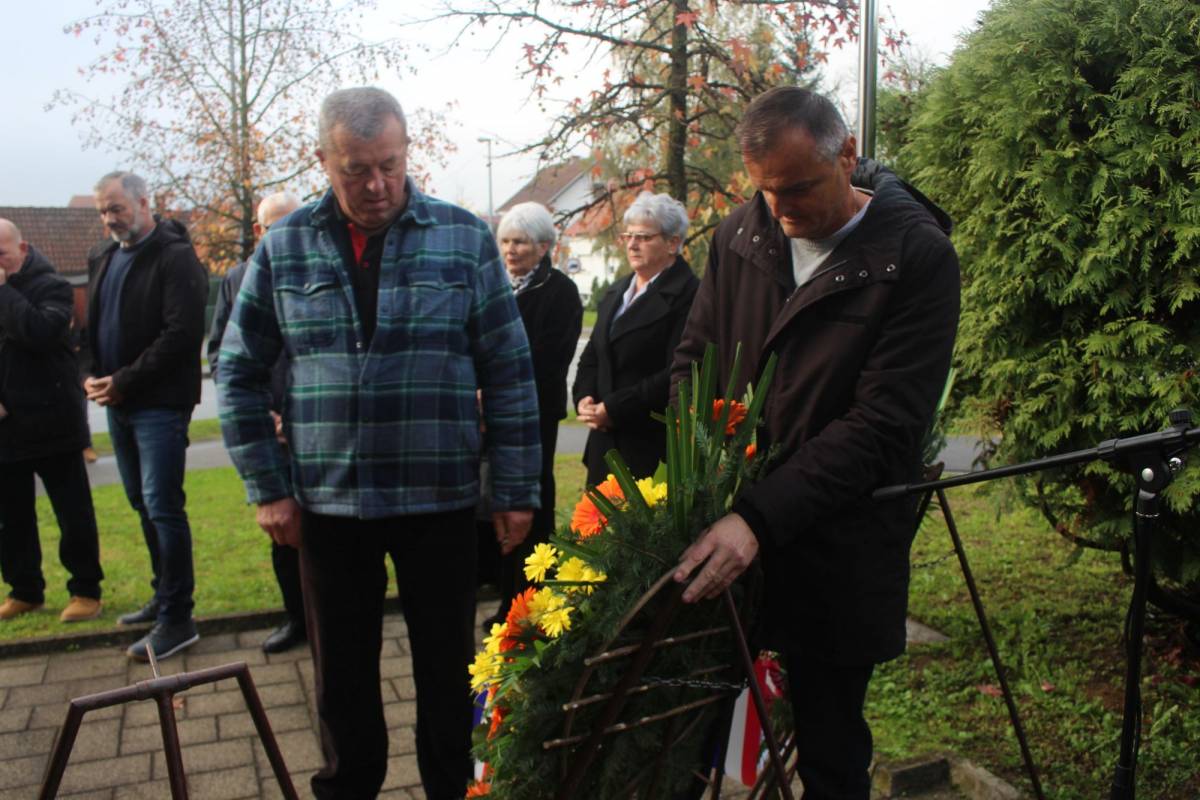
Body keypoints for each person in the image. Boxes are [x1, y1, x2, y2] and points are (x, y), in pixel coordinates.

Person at [216, 86, 541, 800]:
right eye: (355, 170)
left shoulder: (462, 238)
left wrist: (515, 491)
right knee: (343, 683)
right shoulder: (286, 245)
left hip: (440, 499)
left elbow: (510, 372)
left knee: (446, 673)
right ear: (322, 160)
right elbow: (236, 372)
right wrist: (267, 487)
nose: (376, 186)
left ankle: (452, 790)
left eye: (389, 165)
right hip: (329, 506)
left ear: (406, 150)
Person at [670, 87, 960, 798]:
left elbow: (883, 426)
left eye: (798, 188)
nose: (781, 210)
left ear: (848, 157)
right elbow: (693, 361)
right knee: (680, 736)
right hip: (727, 534)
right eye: (766, 190)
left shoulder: (915, 256)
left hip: (837, 545)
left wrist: (759, 518)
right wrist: (705, 471)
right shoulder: (741, 234)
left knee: (831, 753)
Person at [86, 171, 209, 661]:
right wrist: (91, 374)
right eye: (102, 211)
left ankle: (178, 618)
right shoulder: (104, 255)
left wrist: (124, 380)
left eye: (116, 208)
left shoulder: (175, 257)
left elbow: (181, 335)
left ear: (143, 201)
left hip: (159, 404)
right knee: (141, 501)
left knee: (162, 504)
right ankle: (163, 595)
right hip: (119, 402)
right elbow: (92, 325)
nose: (109, 219)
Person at [207, 191, 306, 654]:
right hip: (270, 430)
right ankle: (296, 618)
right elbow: (222, 355)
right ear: (258, 233)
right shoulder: (236, 280)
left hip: (314, 428)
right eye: (274, 227)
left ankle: (329, 619)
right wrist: (261, 413)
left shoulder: (321, 270)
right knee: (283, 531)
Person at [483, 202, 583, 626]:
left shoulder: (560, 292)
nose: (511, 249)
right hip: (484, 411)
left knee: (529, 503)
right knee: (490, 500)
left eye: (520, 241)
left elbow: (546, 358)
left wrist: (491, 387)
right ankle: (494, 588)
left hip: (531, 415)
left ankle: (525, 603)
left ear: (545, 246)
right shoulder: (492, 285)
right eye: (505, 240)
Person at [0, 219, 105, 623]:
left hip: (53, 423)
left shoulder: (53, 288)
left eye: (2, 254)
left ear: (23, 250)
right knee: (11, 519)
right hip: (6, 428)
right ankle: (24, 590)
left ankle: (85, 590)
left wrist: (2, 291)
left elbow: (39, 331)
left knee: (73, 513)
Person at [572, 191, 698, 486]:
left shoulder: (691, 295)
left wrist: (614, 409)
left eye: (643, 237)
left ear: (673, 243)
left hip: (650, 447)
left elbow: (678, 370)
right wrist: (584, 399)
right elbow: (593, 354)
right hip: (605, 444)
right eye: (628, 235)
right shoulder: (618, 291)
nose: (631, 244)